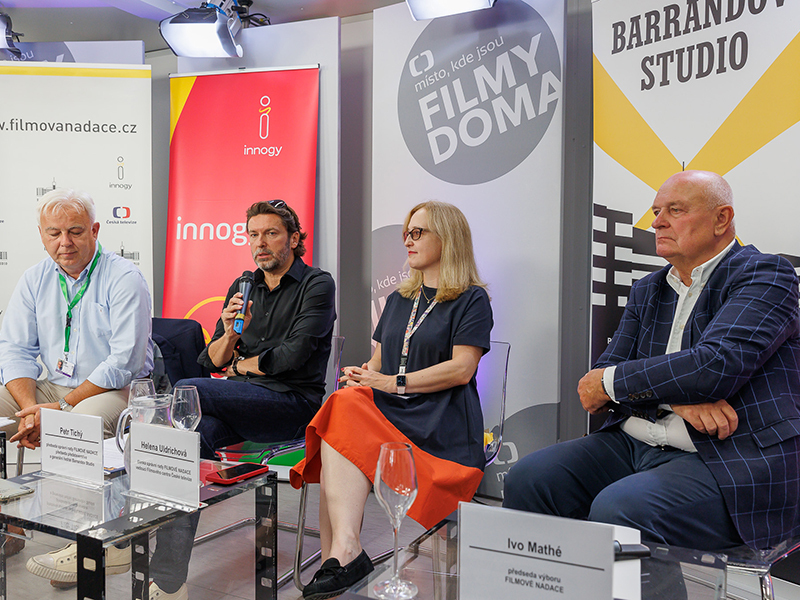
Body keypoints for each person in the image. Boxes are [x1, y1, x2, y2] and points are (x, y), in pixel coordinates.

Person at [503, 170, 800, 552]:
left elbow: (714, 367)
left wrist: (639, 387)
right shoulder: (648, 289)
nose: (657, 222)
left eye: (675, 210)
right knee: (529, 479)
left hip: (728, 457)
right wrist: (678, 401)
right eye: (657, 211)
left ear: (721, 219)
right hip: (634, 441)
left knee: (621, 510)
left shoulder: (767, 275)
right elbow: (596, 387)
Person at [290, 201, 493, 600]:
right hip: (395, 416)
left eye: (418, 233)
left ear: (448, 238)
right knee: (343, 402)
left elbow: (462, 369)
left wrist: (390, 383)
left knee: (338, 420)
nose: (408, 241)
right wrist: (364, 375)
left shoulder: (472, 299)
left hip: (443, 425)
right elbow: (379, 363)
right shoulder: (401, 298)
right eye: (406, 233)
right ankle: (343, 553)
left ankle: (341, 557)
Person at [148, 199, 335, 600]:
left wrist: (239, 367)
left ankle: (143, 518)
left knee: (187, 393)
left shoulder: (317, 284)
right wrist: (232, 334)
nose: (260, 243)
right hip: (239, 404)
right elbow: (212, 359)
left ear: (294, 239)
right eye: (253, 235)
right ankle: (168, 581)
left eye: (271, 233)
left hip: (292, 406)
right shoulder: (243, 285)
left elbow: (294, 356)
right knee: (186, 438)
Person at [0, 188, 153, 446]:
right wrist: (30, 412)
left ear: (94, 230)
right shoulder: (34, 279)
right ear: (41, 234)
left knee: (79, 425)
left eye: (75, 231)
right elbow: (15, 350)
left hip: (114, 391)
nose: (65, 242)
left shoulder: (125, 278)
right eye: (54, 233)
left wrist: (61, 406)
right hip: (53, 388)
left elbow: (123, 363)